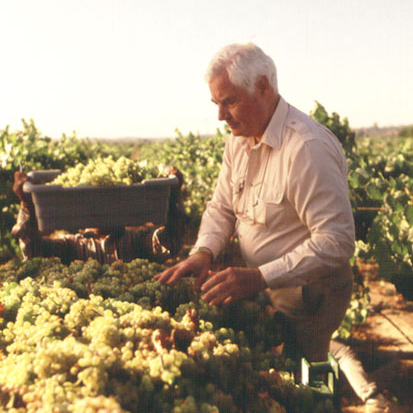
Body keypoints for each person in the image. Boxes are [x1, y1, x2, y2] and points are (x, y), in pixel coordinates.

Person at [154, 43, 398, 413]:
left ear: (264, 87)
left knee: (310, 376)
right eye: (216, 104)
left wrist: (260, 277)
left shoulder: (306, 148)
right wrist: (203, 251)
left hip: (312, 292)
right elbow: (221, 206)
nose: (220, 116)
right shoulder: (239, 141)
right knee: (280, 372)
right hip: (267, 284)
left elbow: (337, 241)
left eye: (229, 102)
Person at [11, 167, 187, 265]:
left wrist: (172, 197)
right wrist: (26, 206)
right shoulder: (71, 246)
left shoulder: (138, 242)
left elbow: (170, 241)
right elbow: (32, 252)